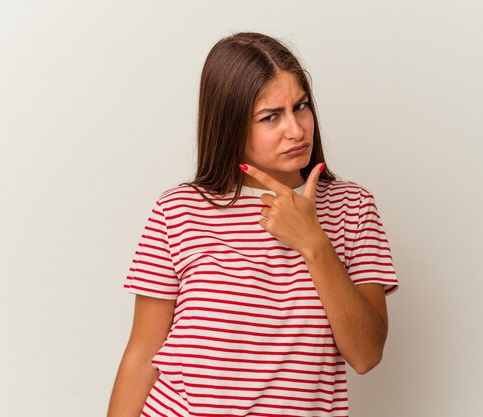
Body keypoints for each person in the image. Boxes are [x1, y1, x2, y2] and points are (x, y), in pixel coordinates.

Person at [107, 31, 399, 417]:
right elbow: (142, 354)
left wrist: (313, 242)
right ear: (230, 126)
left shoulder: (352, 207)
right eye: (270, 117)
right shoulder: (178, 210)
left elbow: (366, 354)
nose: (296, 129)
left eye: (301, 106)